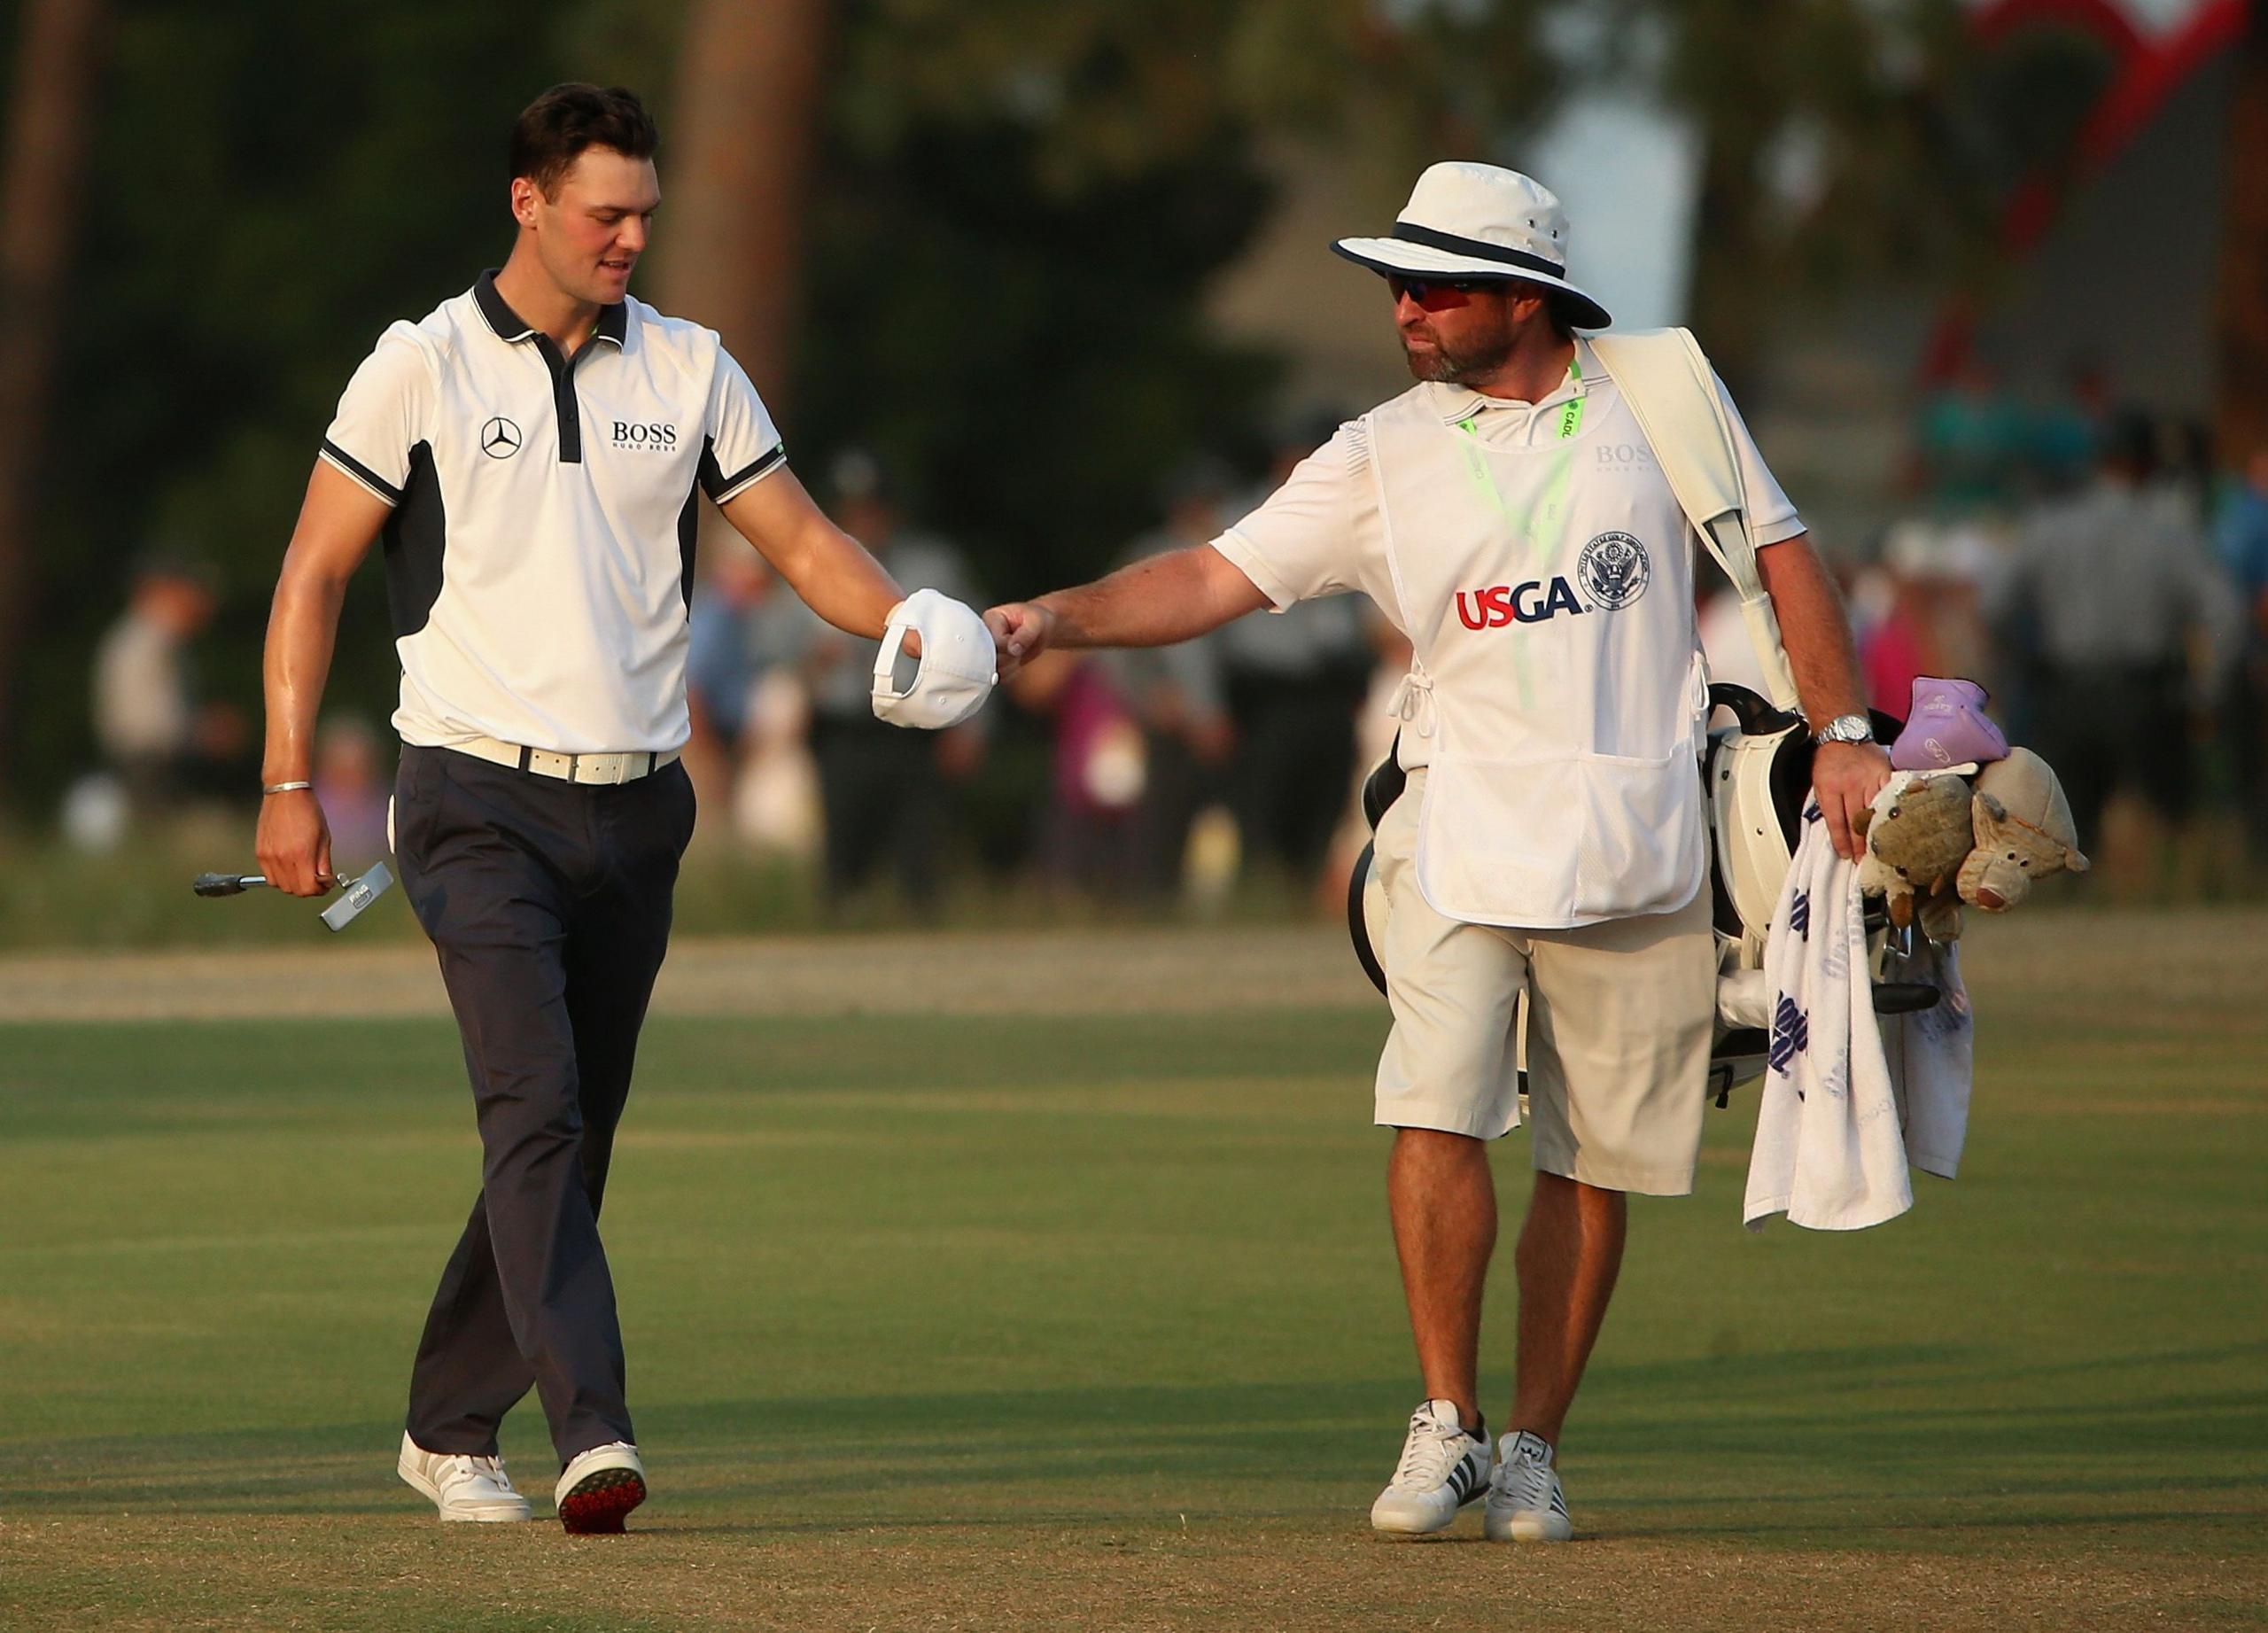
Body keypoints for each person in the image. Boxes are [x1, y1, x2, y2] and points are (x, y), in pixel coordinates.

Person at [986, 162, 1889, 1543]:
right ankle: (1447, 1420)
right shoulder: (1377, 448)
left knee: (1595, 1164)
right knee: (1435, 1110)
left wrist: (1841, 728)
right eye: (1395, 284)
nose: (1406, 309)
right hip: (1456, 824)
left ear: (1525, 295)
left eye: (1437, 285)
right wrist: (1055, 616)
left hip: (1643, 836)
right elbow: (1212, 575)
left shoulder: (1662, 391)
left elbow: (1780, 557)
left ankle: (1533, 1443)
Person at [252, 84, 926, 1533]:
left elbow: (798, 535)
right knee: (536, 1107)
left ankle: (445, 1422)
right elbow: (310, 573)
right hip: (470, 796)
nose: (632, 237)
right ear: (529, 202)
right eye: (606, 212)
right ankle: (594, 1428)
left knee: (569, 1130)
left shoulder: (692, 369)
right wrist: (290, 779)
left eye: (645, 213)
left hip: (639, 811)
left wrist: (913, 625)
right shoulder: (420, 364)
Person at [1991, 409, 2241, 866]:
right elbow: (2225, 609)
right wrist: (2207, 691)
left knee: (2064, 835)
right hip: (2147, 693)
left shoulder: (2050, 525)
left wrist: (2020, 665)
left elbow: (1996, 605)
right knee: (2170, 825)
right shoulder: (2171, 531)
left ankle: (2073, 915)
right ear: (2148, 466)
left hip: (2064, 689)